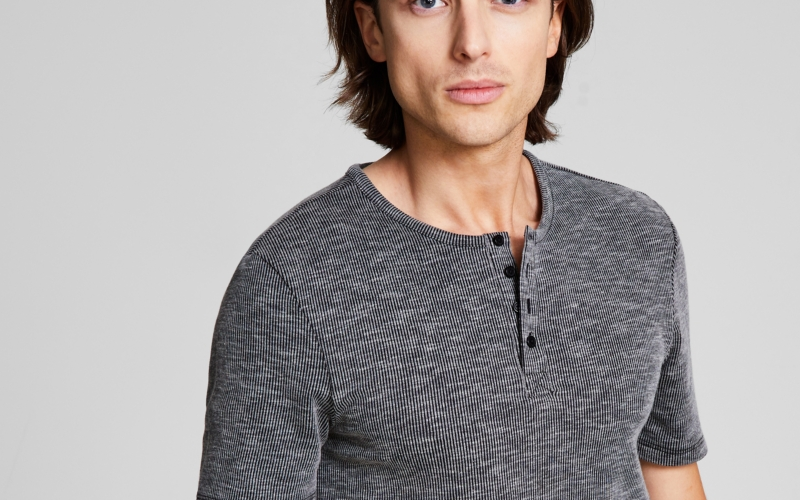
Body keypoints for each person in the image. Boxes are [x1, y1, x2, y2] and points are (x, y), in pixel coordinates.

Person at [196, 0, 708, 498]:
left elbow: (672, 482)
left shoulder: (637, 237)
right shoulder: (289, 283)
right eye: (428, 2)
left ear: (554, 22)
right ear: (373, 29)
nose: (472, 43)